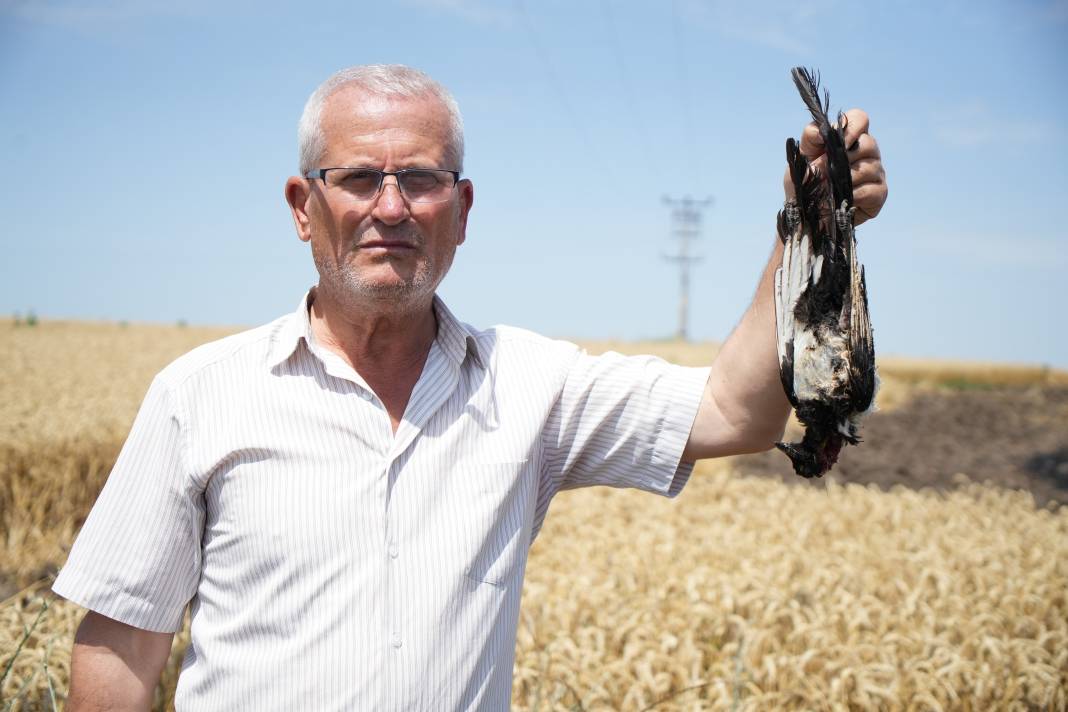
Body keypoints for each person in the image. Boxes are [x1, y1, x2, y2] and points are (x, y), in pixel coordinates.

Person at [54, 64, 887, 710]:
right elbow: (122, 647)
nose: (392, 207)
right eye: (356, 179)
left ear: (462, 208)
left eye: (420, 180)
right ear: (302, 205)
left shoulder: (531, 387)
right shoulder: (196, 396)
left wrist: (811, 226)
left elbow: (731, 410)